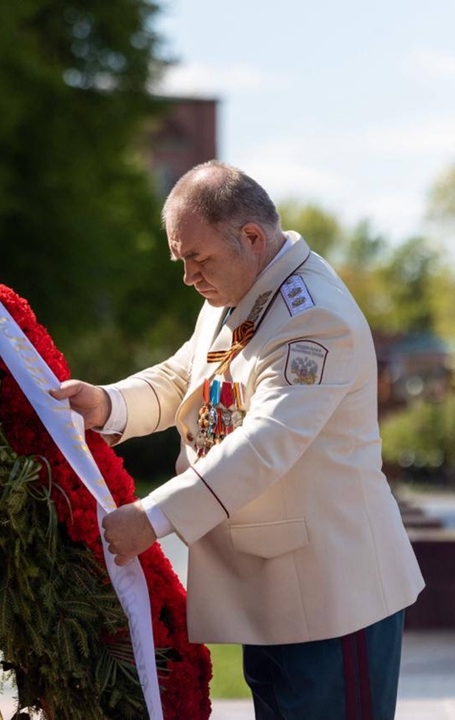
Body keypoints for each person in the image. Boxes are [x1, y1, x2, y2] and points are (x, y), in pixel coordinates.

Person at [52, 161, 425, 719]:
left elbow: (266, 441)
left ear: (251, 237)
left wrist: (153, 517)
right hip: (277, 596)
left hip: (333, 601)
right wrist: (108, 404)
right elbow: (186, 377)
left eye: (197, 258)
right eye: (181, 260)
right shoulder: (240, 290)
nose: (188, 277)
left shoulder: (314, 315)